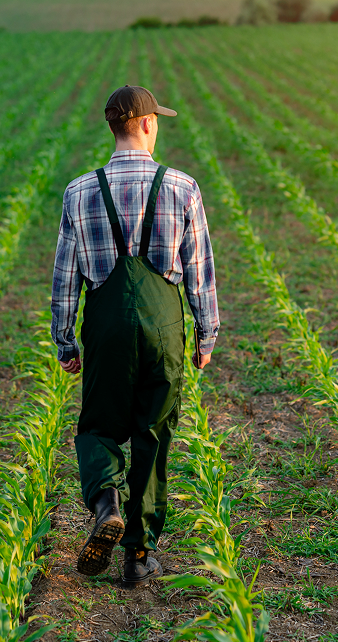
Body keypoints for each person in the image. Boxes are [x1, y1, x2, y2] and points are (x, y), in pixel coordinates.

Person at [51, 84, 219, 585]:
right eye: (158, 120)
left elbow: (65, 275)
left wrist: (66, 340)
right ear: (146, 124)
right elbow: (199, 269)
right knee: (152, 432)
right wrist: (205, 334)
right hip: (164, 327)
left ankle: (106, 505)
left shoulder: (79, 191)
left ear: (113, 127)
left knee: (98, 427)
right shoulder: (182, 187)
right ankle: (139, 555)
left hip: (105, 327)